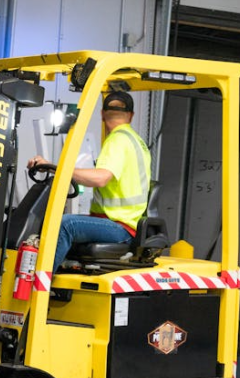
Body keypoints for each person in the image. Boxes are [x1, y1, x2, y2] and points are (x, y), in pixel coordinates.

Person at [29, 90, 151, 271]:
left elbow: (101, 178)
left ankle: (39, 288)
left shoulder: (118, 140)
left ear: (102, 114)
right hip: (123, 224)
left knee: (65, 224)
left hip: (120, 227)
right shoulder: (136, 141)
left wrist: (59, 168)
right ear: (131, 116)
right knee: (56, 220)